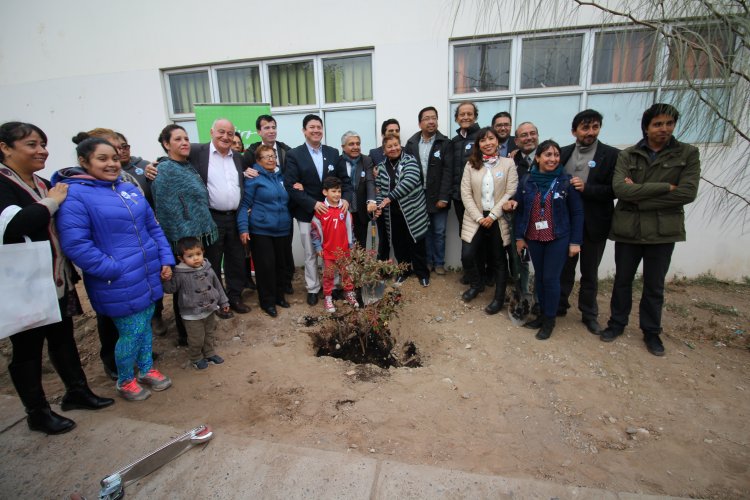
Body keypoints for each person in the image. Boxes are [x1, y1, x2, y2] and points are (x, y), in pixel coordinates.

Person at [0, 122, 113, 435]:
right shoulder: (5, 184)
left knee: (63, 339)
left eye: (43, 144)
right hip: (24, 284)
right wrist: (52, 201)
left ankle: (77, 391)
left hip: (56, 278)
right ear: (5, 148)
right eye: (32, 145)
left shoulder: (39, 182)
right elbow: (14, 226)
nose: (42, 151)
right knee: (27, 349)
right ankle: (37, 411)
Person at [54, 137, 175, 401]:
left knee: (144, 327)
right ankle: (125, 380)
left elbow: (152, 226)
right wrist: (112, 269)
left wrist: (165, 258)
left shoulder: (126, 188)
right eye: (102, 158)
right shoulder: (75, 195)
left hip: (145, 273)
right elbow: (76, 244)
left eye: (114, 157)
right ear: (84, 162)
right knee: (130, 332)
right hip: (117, 279)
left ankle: (145, 370)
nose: (111, 163)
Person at [600, 103, 700, 356]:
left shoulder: (687, 153)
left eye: (669, 124)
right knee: (622, 280)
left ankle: (651, 332)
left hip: (662, 231)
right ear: (646, 127)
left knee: (654, 285)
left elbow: (687, 193)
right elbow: (621, 191)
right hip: (628, 230)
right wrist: (666, 187)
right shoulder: (628, 155)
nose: (664, 129)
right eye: (658, 124)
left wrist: (638, 194)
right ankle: (616, 323)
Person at [151, 124, 222, 344]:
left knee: (204, 281)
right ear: (166, 144)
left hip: (203, 232)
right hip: (183, 241)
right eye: (177, 139)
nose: (184, 143)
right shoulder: (163, 170)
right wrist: (182, 243)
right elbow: (165, 211)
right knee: (184, 287)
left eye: (186, 138)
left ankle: (204, 326)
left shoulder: (189, 165)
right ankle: (186, 334)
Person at [507, 139, 583, 340]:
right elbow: (520, 208)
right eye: (548, 155)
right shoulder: (527, 180)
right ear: (538, 158)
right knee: (539, 277)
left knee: (550, 279)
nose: (553, 159)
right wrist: (519, 237)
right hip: (534, 237)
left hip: (558, 237)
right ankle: (541, 315)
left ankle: (550, 319)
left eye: (556, 155)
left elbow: (577, 213)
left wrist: (575, 242)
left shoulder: (567, 182)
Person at [557, 110, 620, 334]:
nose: (590, 132)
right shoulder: (562, 153)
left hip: (594, 223)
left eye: (595, 127)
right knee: (564, 269)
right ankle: (560, 305)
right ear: (574, 131)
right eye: (585, 128)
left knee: (590, 272)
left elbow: (616, 189)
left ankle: (589, 314)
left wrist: (588, 189)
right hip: (565, 224)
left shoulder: (611, 155)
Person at [284, 114, 352, 306]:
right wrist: (313, 204)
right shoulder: (294, 155)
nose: (316, 130)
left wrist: (345, 199)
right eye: (311, 127)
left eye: (319, 127)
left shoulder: (332, 153)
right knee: (311, 252)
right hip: (307, 213)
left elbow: (345, 181)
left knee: (336, 251)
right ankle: (313, 288)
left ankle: (335, 286)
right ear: (304, 130)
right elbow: (290, 186)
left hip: (333, 214)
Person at [190, 119, 251, 314]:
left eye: (230, 133)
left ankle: (235, 297)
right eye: (221, 132)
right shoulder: (197, 152)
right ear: (211, 132)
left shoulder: (238, 158)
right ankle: (217, 301)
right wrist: (157, 164)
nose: (225, 137)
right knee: (214, 261)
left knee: (236, 260)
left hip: (234, 217)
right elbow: (173, 157)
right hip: (212, 217)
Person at [460, 128, 518, 314]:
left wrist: (492, 215)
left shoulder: (508, 163)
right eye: (483, 140)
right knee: (467, 255)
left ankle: (499, 299)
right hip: (474, 216)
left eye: (491, 139)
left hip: (497, 218)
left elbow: (510, 191)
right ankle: (477, 285)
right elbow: (465, 193)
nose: (487, 143)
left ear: (498, 142)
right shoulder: (471, 165)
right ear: (478, 145)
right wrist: (479, 217)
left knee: (498, 260)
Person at [237, 144, 292, 317]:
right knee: (265, 268)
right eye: (266, 156)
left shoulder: (280, 176)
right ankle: (267, 302)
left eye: (273, 156)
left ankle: (279, 297)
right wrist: (243, 228)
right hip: (261, 230)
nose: (271, 159)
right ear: (258, 161)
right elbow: (244, 205)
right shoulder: (253, 178)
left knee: (280, 266)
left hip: (282, 229)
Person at [241, 114, 293, 294]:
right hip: (262, 222)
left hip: (284, 216)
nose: (271, 131)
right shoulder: (251, 153)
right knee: (266, 262)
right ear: (259, 131)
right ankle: (268, 295)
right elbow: (242, 174)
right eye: (266, 128)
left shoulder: (287, 150)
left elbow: (291, 176)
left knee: (284, 255)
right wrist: (243, 172)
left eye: (273, 127)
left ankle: (285, 286)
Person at [162, 237, 228, 370]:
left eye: (198, 254)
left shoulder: (207, 268)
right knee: (196, 338)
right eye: (190, 256)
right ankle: (196, 357)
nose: (196, 258)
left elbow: (217, 286)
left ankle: (209, 353)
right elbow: (171, 289)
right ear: (181, 258)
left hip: (209, 309)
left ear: (203, 252)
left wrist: (224, 301)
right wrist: (166, 279)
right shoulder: (180, 273)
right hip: (191, 314)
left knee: (209, 333)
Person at [375, 133, 430, 287]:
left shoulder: (409, 160)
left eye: (396, 145)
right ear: (384, 150)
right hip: (392, 215)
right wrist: (379, 206)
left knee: (417, 244)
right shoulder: (380, 167)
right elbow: (379, 190)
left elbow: (410, 181)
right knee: (399, 245)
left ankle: (422, 273)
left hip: (413, 213)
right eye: (389, 146)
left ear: (400, 146)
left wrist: (389, 197)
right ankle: (404, 271)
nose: (394, 148)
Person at [404, 106, 450, 275]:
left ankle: (439, 263)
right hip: (418, 196)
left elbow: (448, 171)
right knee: (424, 230)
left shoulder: (445, 143)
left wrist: (444, 196)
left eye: (434, 118)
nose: (431, 121)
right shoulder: (411, 143)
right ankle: (428, 261)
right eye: (427, 118)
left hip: (438, 195)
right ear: (420, 123)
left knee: (439, 231)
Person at [311, 176, 360, 313]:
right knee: (328, 275)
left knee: (346, 273)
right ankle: (328, 297)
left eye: (339, 191)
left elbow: (351, 228)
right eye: (333, 191)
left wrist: (352, 244)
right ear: (325, 192)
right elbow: (314, 230)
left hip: (344, 250)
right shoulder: (320, 210)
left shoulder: (344, 209)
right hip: (328, 251)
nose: (337, 194)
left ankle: (349, 293)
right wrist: (318, 246)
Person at [441, 101, 481, 231]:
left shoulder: (482, 137)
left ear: (475, 117)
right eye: (462, 114)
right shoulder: (454, 141)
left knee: (480, 234)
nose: (465, 117)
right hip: (459, 198)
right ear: (457, 118)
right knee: (464, 233)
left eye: (469, 114)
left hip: (478, 198)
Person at [337, 131, 376, 247]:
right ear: (343, 147)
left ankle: (359, 266)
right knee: (343, 244)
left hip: (361, 211)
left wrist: (371, 200)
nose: (356, 147)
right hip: (342, 210)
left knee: (360, 245)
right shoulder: (337, 161)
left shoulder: (366, 160)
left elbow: (370, 181)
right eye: (351, 144)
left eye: (358, 144)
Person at [369, 119, 400, 261]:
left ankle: (401, 267)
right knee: (383, 239)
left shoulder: (402, 151)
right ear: (383, 135)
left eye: (397, 130)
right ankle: (381, 268)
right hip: (381, 201)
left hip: (399, 202)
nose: (394, 133)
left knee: (399, 238)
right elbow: (370, 175)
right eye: (390, 131)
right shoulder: (374, 153)